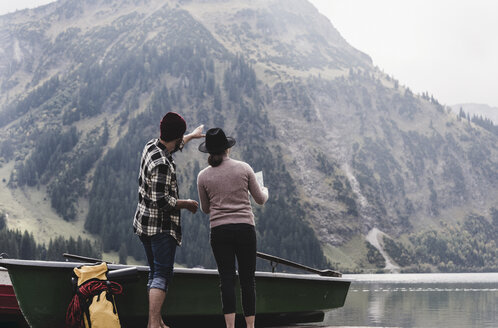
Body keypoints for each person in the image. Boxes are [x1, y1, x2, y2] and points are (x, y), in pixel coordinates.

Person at [133, 112, 204, 328]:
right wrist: (187, 204)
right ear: (174, 137)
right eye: (180, 137)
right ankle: (154, 324)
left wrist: (191, 136)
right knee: (162, 275)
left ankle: (156, 321)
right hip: (160, 227)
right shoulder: (162, 163)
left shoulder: (152, 146)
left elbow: (174, 144)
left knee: (155, 273)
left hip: (144, 223)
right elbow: (162, 201)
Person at [196, 128, 269, 328]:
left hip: (219, 231)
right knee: (247, 280)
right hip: (245, 229)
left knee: (226, 279)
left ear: (209, 152)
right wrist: (265, 190)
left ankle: (230, 326)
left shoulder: (203, 176)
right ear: (227, 148)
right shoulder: (244, 168)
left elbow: (205, 209)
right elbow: (260, 199)